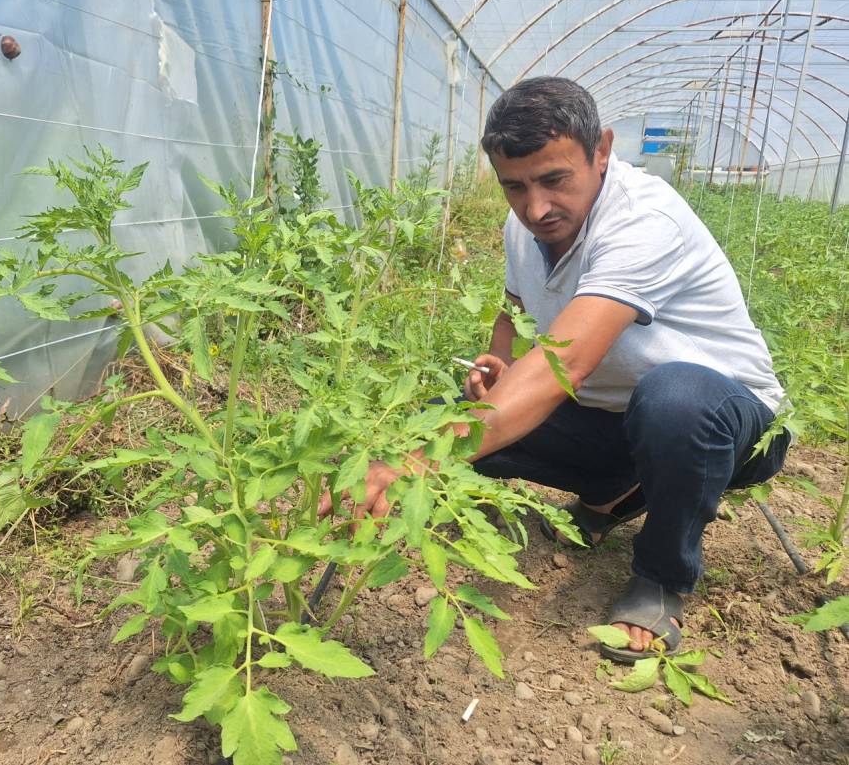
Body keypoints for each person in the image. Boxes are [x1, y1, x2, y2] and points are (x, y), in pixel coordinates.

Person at [319, 76, 789, 662]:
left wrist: (414, 461)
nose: (535, 207)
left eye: (554, 179)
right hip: (611, 415)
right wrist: (497, 368)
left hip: (726, 422)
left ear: (601, 151)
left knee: (672, 399)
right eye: (513, 186)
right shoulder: (523, 227)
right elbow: (512, 309)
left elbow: (566, 359)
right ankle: (615, 489)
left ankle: (664, 575)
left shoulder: (644, 219)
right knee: (455, 417)